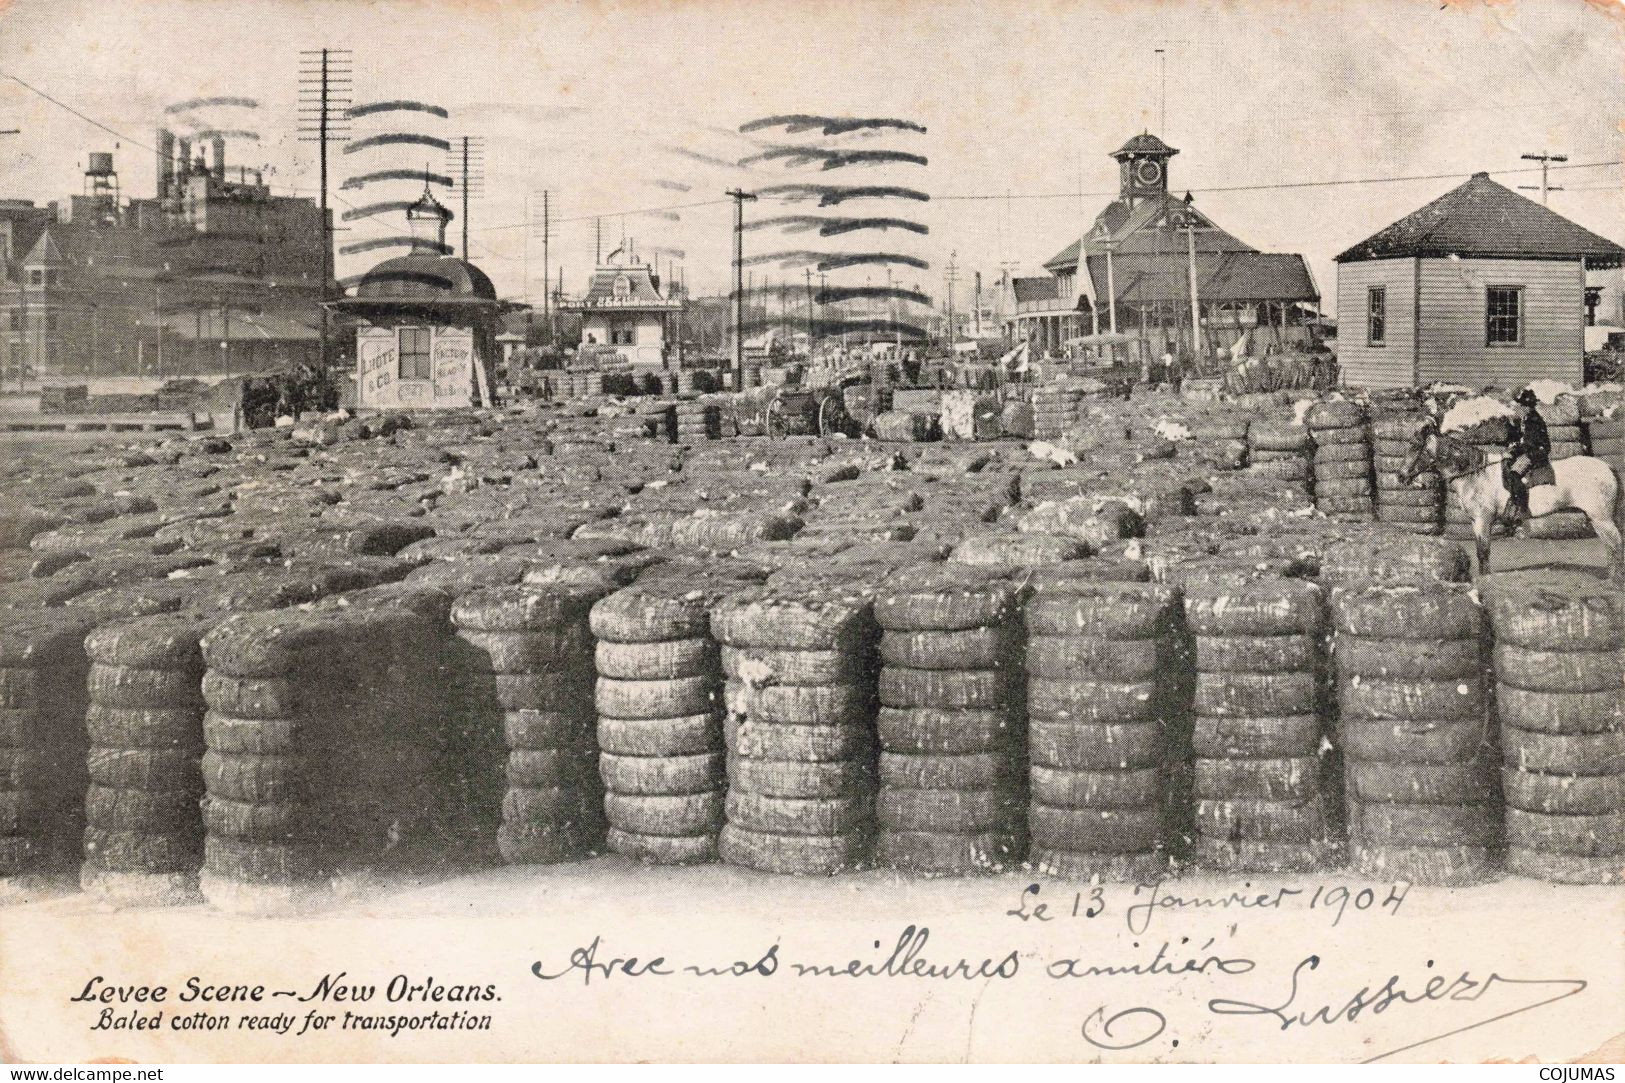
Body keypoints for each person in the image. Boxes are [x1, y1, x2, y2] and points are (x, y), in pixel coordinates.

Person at [1504, 388, 1551, 523]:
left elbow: (1530, 443)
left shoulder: (1533, 420)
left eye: (1523, 405)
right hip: (1530, 450)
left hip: (1537, 452)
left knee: (1514, 474)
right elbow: (1521, 437)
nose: (1521, 408)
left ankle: (1523, 508)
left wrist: (1515, 450)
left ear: (1527, 406)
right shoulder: (1526, 418)